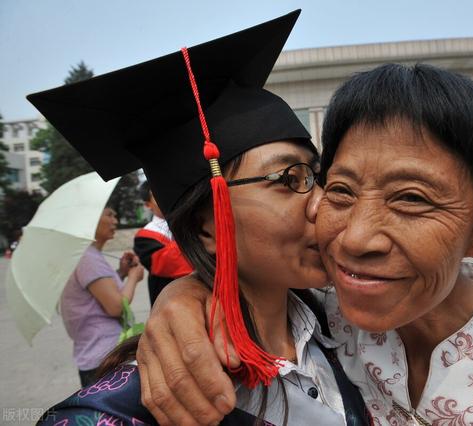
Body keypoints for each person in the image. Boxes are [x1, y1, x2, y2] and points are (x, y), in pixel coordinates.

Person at [136, 64, 473, 424]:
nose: (353, 237)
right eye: (340, 190)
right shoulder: (325, 323)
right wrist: (188, 294)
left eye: (412, 199)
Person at [31, 11, 369, 426]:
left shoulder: (351, 326)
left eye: (316, 176)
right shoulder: (124, 411)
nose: (320, 203)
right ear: (207, 225)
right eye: (289, 178)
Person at [59, 204, 145, 387]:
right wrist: (133, 278)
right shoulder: (87, 258)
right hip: (104, 355)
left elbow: (98, 293)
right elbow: (116, 307)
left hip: (97, 353)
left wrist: (121, 273)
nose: (115, 220)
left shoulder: (88, 254)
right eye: (109, 214)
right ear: (91, 219)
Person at [133, 180, 192, 306]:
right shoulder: (144, 236)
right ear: (148, 204)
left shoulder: (191, 223)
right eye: (158, 195)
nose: (167, 197)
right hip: (170, 303)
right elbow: (169, 264)